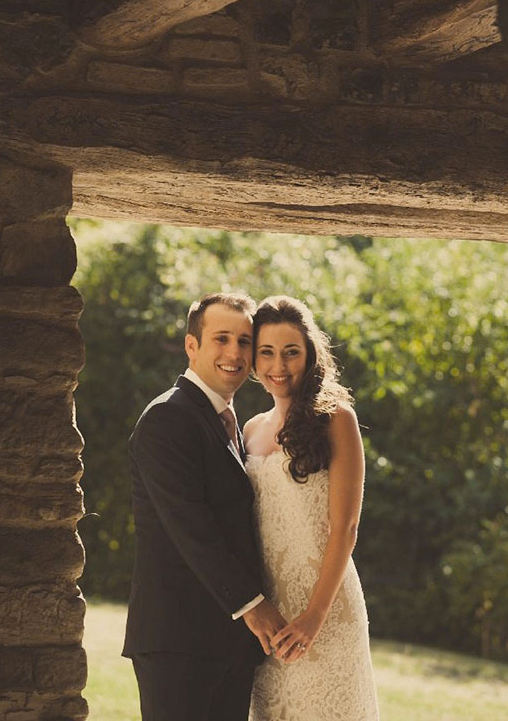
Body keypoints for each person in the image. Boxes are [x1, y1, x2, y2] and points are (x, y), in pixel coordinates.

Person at [122, 291, 288, 721]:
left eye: (244, 341)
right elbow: (191, 527)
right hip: (178, 643)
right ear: (191, 346)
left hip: (227, 643)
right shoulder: (167, 418)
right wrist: (254, 605)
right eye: (221, 339)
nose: (234, 352)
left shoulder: (228, 421)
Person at [243, 295, 380, 721]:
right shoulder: (248, 429)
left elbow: (347, 527)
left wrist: (314, 616)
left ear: (310, 354)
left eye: (290, 352)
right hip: (268, 620)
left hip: (325, 610)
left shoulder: (337, 418)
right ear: (252, 359)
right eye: (266, 352)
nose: (278, 366)